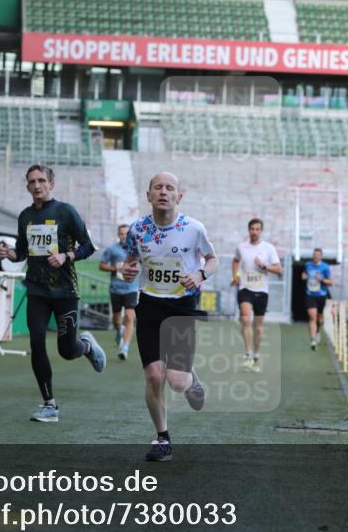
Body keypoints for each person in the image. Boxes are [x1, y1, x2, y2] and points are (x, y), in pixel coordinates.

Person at [0, 164, 106, 423]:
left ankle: (88, 346)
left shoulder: (65, 212)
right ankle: (50, 405)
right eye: (32, 181)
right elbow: (21, 253)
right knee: (36, 343)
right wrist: (8, 253)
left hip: (65, 290)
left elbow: (89, 247)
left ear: (51, 184)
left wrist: (66, 255)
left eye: (41, 180)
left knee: (67, 351)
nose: (37, 185)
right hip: (37, 290)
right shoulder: (25, 216)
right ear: (27, 187)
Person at [122, 172, 218, 462]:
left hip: (182, 307)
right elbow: (130, 264)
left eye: (170, 188)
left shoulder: (193, 228)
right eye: (158, 188)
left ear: (179, 196)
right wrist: (126, 271)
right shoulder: (137, 230)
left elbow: (213, 260)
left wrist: (200, 274)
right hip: (150, 304)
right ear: (148, 195)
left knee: (177, 382)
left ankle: (192, 382)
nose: (164, 192)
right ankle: (162, 438)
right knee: (154, 375)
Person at [231, 218, 282, 372]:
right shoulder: (241, 247)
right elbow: (235, 261)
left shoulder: (268, 248)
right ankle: (247, 354)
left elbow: (279, 269)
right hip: (245, 289)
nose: (254, 232)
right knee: (246, 319)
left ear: (261, 231)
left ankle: (256, 356)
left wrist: (264, 265)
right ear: (248, 230)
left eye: (257, 229)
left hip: (261, 291)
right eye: (252, 229)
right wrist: (235, 276)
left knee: (258, 327)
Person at [99, 223, 138, 361]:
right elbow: (101, 265)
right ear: (118, 235)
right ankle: (119, 331)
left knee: (129, 316)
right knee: (116, 320)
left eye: (127, 234)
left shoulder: (137, 249)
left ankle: (125, 348)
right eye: (121, 234)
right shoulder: (112, 250)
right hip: (115, 289)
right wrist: (114, 268)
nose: (124, 236)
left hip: (131, 289)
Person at [302, 248, 332, 350]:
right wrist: (303, 276)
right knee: (312, 317)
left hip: (321, 295)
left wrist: (322, 279)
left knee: (318, 318)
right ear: (313, 255)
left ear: (321, 256)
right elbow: (304, 274)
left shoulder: (325, 267)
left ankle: (317, 331)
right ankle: (313, 340)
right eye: (314, 254)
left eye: (318, 255)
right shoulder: (308, 265)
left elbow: (331, 282)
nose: (316, 256)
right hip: (310, 295)